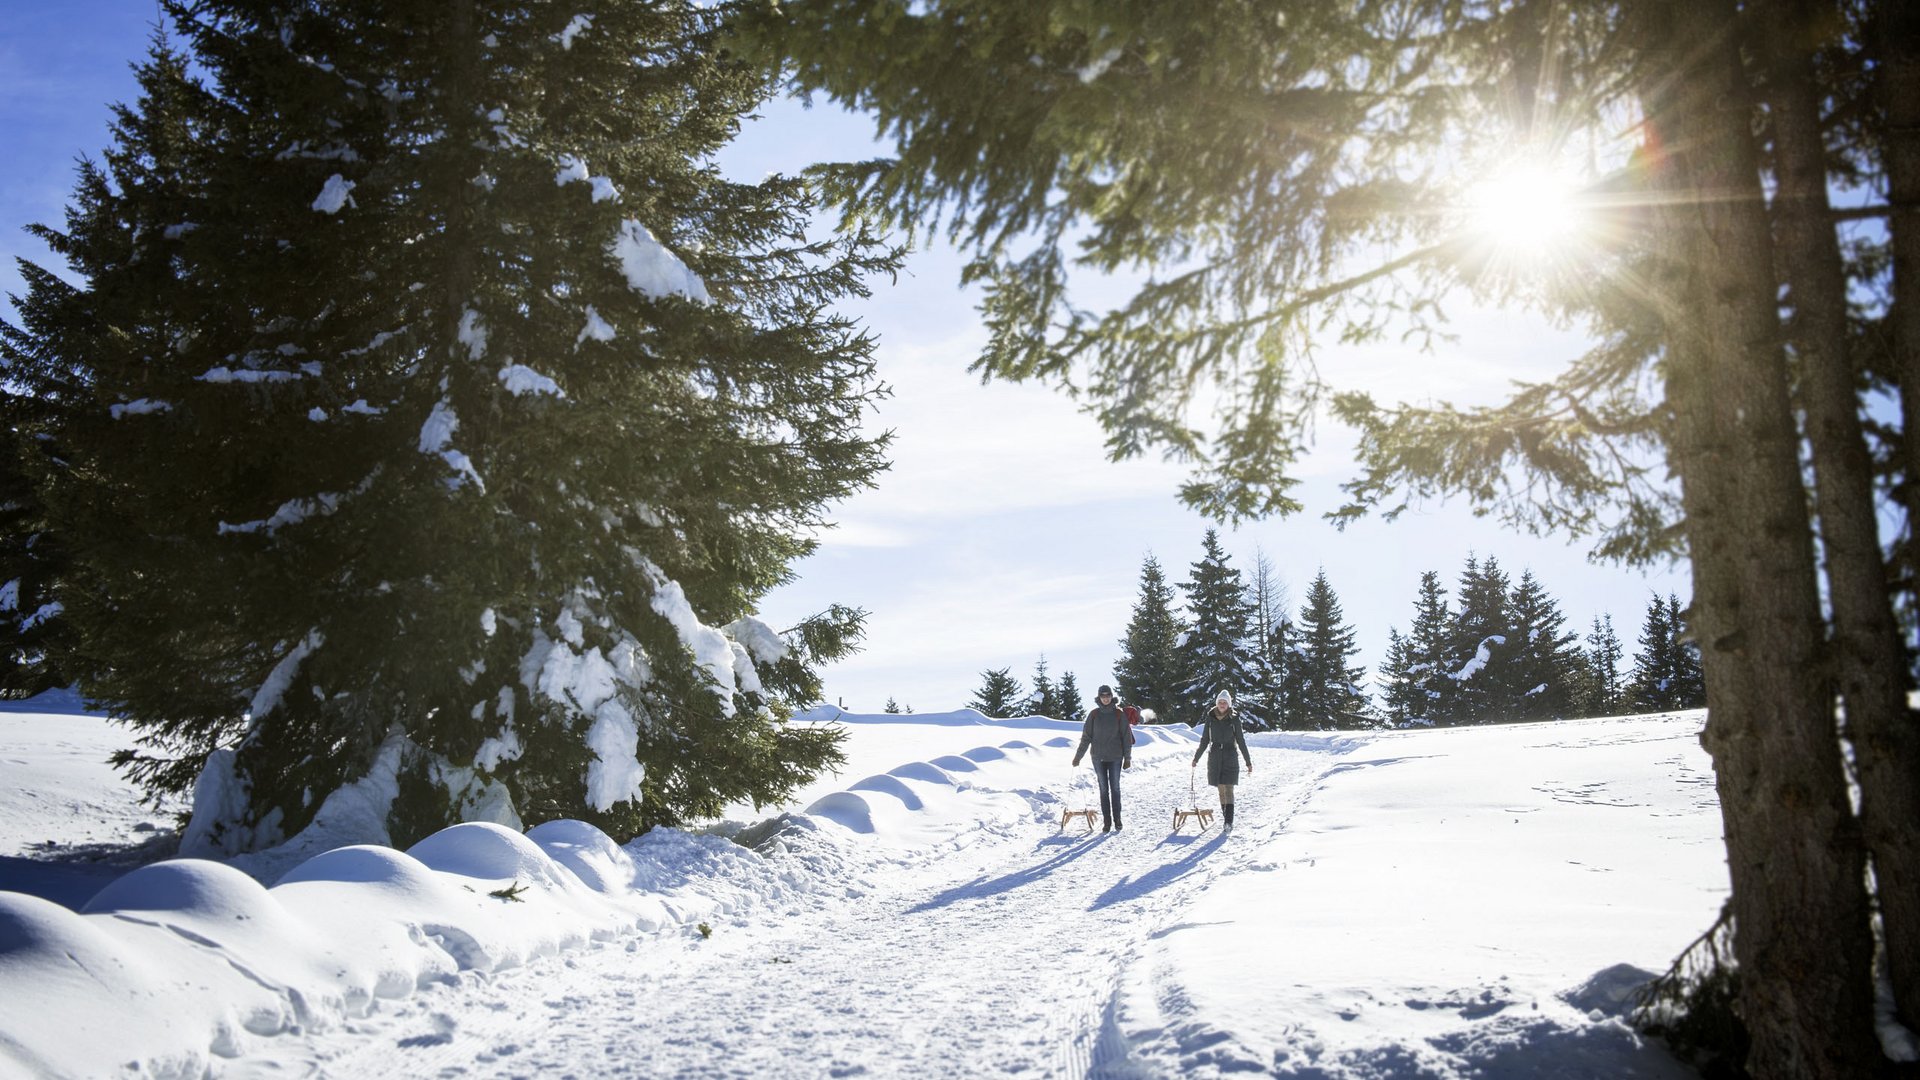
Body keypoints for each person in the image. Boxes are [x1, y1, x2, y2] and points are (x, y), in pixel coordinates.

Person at [1071, 684, 1132, 832]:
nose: (1105, 699)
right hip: (1098, 758)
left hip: (1115, 757)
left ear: (1112, 697)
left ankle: (1117, 819)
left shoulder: (1119, 714)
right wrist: (1078, 756)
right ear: (1099, 698)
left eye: (1108, 696)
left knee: (1115, 788)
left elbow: (1126, 737)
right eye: (1103, 696)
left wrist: (1127, 758)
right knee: (1103, 789)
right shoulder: (1093, 715)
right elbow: (1086, 738)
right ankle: (1107, 822)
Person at [1192, 690, 1253, 828]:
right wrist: (1196, 758)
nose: (1222, 704)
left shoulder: (1234, 718)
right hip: (1214, 756)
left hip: (1230, 755)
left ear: (1229, 704)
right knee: (1220, 789)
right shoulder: (1210, 717)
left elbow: (1241, 740)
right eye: (1220, 702)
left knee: (1228, 788)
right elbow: (1205, 739)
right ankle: (1226, 818)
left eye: (1225, 702)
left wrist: (1248, 761)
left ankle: (1228, 821)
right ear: (1217, 703)